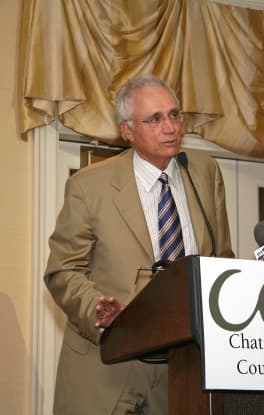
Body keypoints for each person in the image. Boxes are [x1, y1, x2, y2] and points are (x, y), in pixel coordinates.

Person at [44, 74, 234, 415]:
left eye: (174, 115)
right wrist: (97, 311)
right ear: (128, 131)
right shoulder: (89, 185)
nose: (171, 128)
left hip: (183, 364)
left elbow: (221, 259)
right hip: (105, 365)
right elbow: (63, 269)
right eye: (155, 119)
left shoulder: (204, 172)